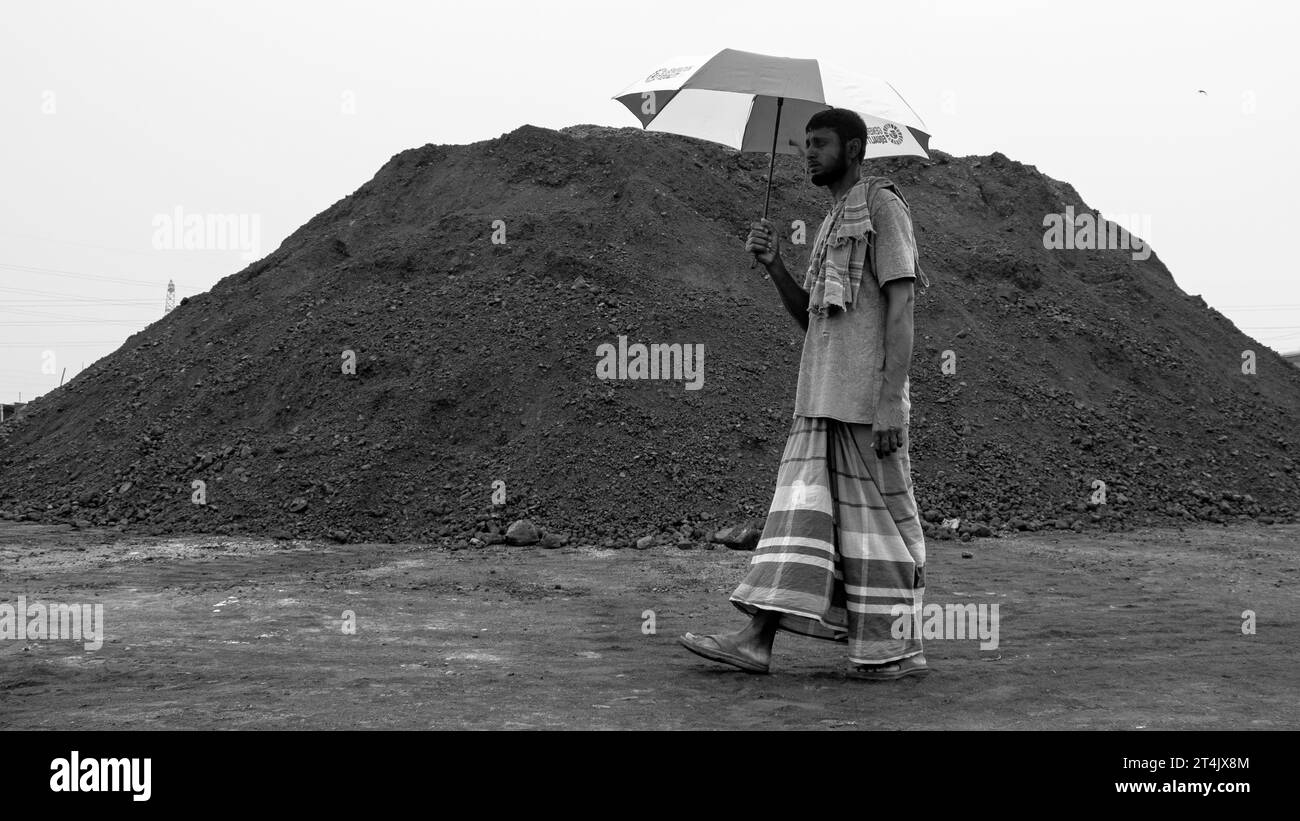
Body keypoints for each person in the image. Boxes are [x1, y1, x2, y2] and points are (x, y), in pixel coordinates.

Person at [678, 108, 933, 680]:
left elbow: (903, 305)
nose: (808, 153)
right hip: (818, 401)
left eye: (820, 144)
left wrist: (891, 400)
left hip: (866, 404)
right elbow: (813, 320)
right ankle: (757, 641)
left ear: (856, 147)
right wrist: (774, 266)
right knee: (804, 524)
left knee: (882, 530)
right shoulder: (830, 220)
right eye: (805, 144)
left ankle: (891, 650)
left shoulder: (883, 206)